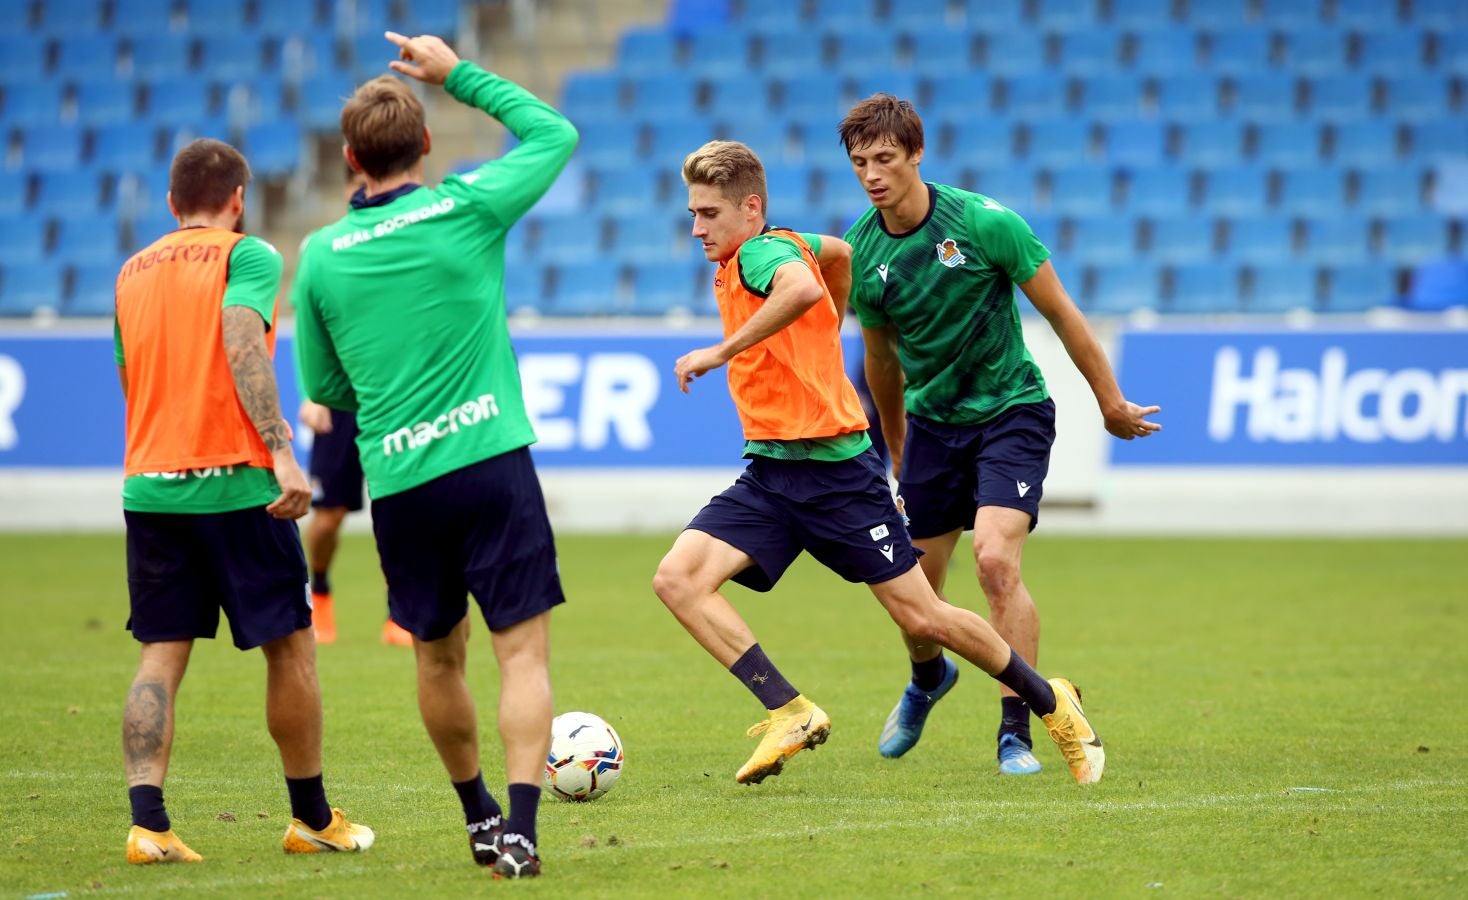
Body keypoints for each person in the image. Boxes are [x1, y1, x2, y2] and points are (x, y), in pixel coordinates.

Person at [653, 139, 1106, 789]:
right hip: (774, 472)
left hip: (836, 475)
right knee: (679, 579)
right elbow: (834, 258)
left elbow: (804, 283)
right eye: (693, 214)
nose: (696, 228)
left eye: (708, 214)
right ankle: (790, 711)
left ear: (750, 209)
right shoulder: (773, 244)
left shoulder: (760, 252)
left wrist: (723, 350)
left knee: (925, 618)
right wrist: (829, 319)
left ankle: (1050, 703)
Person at [292, 31, 577, 880]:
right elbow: (553, 134)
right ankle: (523, 828)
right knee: (520, 654)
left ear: (349, 159)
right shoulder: (467, 206)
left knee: (435, 656)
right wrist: (456, 75)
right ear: (423, 145)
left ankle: (478, 814)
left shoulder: (320, 258)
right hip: (491, 461)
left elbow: (329, 392)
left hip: (403, 481)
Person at [836, 95, 1160, 775]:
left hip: (1011, 412)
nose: (872, 173)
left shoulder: (986, 224)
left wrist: (1109, 403)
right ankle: (928, 678)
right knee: (914, 592)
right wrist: (895, 449)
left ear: (917, 155)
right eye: (860, 161)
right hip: (930, 427)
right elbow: (881, 361)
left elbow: (1066, 314)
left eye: (885, 159)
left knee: (994, 561)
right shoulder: (861, 254)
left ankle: (1017, 728)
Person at [113, 138, 373, 864]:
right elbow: (241, 341)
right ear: (237, 199)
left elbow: (129, 378)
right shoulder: (246, 254)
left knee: (159, 656)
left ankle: (148, 824)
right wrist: (281, 449)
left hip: (150, 483)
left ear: (171, 205)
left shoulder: (130, 272)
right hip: (235, 483)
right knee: (290, 648)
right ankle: (312, 818)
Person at [300, 168, 413, 648]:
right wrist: (311, 394)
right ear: (349, 188)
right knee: (328, 516)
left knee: (402, 508)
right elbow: (310, 329)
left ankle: (401, 613)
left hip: (395, 397)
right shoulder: (322, 248)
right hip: (341, 402)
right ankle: (319, 594)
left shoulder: (407, 241)